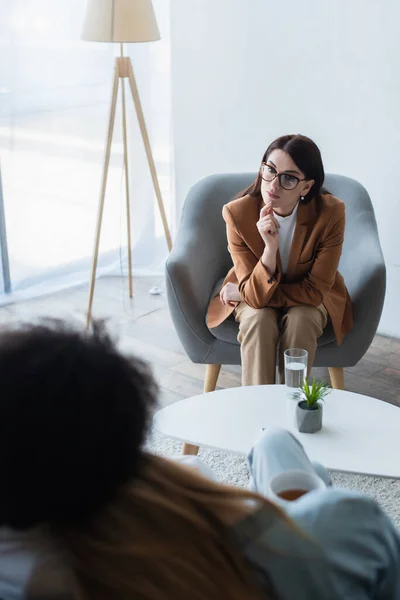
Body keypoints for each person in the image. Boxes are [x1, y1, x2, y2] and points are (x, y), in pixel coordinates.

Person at [0, 321, 399, 600]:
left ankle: (293, 473)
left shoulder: (26, 558)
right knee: (313, 479)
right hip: (298, 552)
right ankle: (304, 489)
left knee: (271, 442)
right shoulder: (345, 520)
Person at [207, 134, 353, 385]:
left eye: (288, 178)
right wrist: (269, 249)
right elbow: (255, 300)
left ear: (306, 186)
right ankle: (258, 408)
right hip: (255, 290)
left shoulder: (331, 213)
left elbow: (314, 291)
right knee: (258, 319)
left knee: (302, 319)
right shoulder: (236, 213)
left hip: (307, 298)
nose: (273, 185)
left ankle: (293, 403)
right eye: (270, 170)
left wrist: (245, 294)